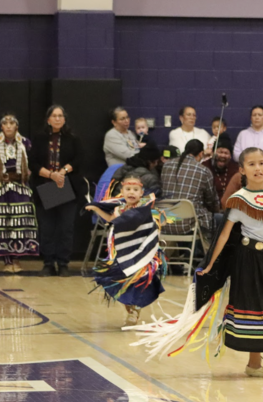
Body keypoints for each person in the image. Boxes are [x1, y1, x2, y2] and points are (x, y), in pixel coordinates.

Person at [130, 147, 263, 378]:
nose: (258, 168)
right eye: (251, 164)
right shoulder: (238, 200)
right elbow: (223, 235)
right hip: (247, 260)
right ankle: (254, 364)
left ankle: (256, 361)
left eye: (261, 163)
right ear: (242, 170)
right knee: (253, 307)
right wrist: (210, 263)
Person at [85, 175, 166, 326]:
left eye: (135, 190)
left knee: (139, 281)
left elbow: (134, 222)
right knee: (122, 282)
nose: (131, 192)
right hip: (124, 253)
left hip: (142, 252)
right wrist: (96, 208)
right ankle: (131, 308)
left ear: (141, 193)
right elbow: (111, 220)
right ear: (121, 191)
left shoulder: (144, 208)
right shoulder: (119, 208)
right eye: (128, 189)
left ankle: (135, 310)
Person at [28, 105, 84, 277]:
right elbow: (33, 162)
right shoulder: (39, 138)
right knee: (47, 228)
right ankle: (48, 263)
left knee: (66, 227)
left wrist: (62, 172)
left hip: (67, 186)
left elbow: (79, 158)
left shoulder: (72, 138)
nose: (58, 119)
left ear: (64, 119)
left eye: (61, 116)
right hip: (45, 185)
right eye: (54, 116)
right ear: (48, 119)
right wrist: (51, 174)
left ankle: (63, 263)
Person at [160, 139, 220, 247]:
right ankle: (208, 257)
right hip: (187, 224)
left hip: (164, 222)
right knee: (218, 219)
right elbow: (211, 200)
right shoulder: (203, 170)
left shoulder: (166, 166)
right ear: (201, 154)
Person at [0, 114, 37, 273]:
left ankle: (16, 258)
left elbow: (32, 163)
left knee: (19, 222)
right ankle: (6, 260)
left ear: (17, 126)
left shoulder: (25, 143)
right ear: (2, 127)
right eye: (5, 124)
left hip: (20, 186)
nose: (8, 126)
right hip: (2, 185)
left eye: (11, 123)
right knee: (3, 223)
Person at [202, 134, 238, 204]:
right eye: (220, 152)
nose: (223, 155)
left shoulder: (235, 169)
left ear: (230, 156)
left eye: (226, 153)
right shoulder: (204, 167)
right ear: (212, 153)